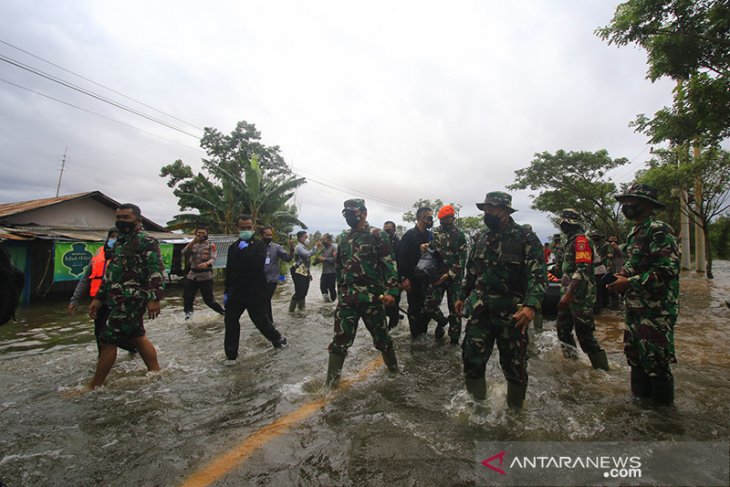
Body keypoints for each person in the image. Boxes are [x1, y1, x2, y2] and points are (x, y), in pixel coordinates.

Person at [454, 192, 546, 409]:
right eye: (485, 209)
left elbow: (537, 275)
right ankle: (478, 408)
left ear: (505, 210)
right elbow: (472, 272)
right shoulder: (479, 237)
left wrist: (531, 306)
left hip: (512, 313)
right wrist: (461, 297)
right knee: (471, 360)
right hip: (480, 310)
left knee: (515, 367)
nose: (487, 213)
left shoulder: (525, 237)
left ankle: (514, 415)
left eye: (492, 209)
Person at [607, 183, 679, 406]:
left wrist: (630, 282)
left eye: (631, 201)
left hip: (656, 310)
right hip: (634, 308)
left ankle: (664, 421)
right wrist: (620, 278)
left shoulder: (659, 229)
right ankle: (639, 412)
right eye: (625, 202)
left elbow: (667, 270)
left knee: (656, 362)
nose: (626, 206)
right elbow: (634, 264)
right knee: (635, 358)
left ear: (646, 204)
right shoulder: (635, 231)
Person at [88, 204, 163, 389]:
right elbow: (112, 272)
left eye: (126, 217)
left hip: (133, 297)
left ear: (138, 219)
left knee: (107, 339)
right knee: (137, 335)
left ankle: (93, 386)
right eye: (119, 217)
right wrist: (99, 297)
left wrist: (154, 299)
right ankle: (156, 372)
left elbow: (156, 271)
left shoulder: (147, 240)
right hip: (116, 296)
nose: (121, 221)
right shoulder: (120, 240)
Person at [326, 199, 400, 386]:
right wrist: (339, 292)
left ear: (364, 213)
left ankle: (394, 371)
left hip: (372, 298)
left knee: (382, 338)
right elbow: (339, 268)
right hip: (347, 298)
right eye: (346, 213)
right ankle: (330, 384)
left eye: (353, 212)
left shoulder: (377, 235)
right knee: (339, 340)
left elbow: (389, 264)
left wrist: (392, 290)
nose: (349, 216)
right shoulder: (343, 238)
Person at [224, 215, 288, 359]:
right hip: (236, 293)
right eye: (243, 228)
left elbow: (256, 265)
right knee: (230, 323)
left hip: (255, 293)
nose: (246, 230)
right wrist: (226, 292)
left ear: (253, 228)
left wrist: (244, 250)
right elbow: (229, 270)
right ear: (237, 228)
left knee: (262, 322)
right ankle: (231, 356)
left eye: (249, 227)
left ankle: (279, 340)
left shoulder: (260, 246)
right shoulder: (233, 247)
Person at [69, 228, 137, 355]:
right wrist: (75, 299)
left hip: (119, 301)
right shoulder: (99, 253)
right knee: (99, 332)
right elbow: (85, 279)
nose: (114, 239)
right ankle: (103, 359)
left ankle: (134, 349)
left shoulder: (128, 255)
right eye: (112, 236)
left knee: (115, 333)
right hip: (99, 301)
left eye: (118, 236)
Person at [556, 210, 609, 370]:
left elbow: (582, 269)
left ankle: (602, 373)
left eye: (564, 223)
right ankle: (572, 365)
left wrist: (568, 294)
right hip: (568, 295)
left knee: (585, 335)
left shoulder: (581, 241)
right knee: (563, 330)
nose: (562, 226)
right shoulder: (570, 241)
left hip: (579, 296)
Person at [423, 204, 468, 344]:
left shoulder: (460, 235)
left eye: (447, 219)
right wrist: (425, 246)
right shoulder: (436, 233)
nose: (444, 222)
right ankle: (442, 321)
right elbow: (432, 250)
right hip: (437, 275)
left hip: (454, 277)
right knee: (429, 305)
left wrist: (449, 274)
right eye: (441, 219)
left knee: (455, 309)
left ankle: (454, 340)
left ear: (453, 218)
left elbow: (462, 258)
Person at [398, 207, 433, 340]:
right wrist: (404, 278)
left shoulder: (430, 235)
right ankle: (415, 337)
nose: (431, 220)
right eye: (429, 217)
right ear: (421, 218)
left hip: (427, 278)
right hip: (413, 278)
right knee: (414, 307)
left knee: (429, 308)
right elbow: (401, 258)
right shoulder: (410, 235)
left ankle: (422, 333)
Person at [181, 224, 225, 320]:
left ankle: (223, 313)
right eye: (199, 233)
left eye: (203, 233)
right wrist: (193, 242)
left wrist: (207, 263)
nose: (201, 235)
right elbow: (184, 253)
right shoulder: (191, 244)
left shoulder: (210, 245)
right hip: (192, 275)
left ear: (206, 234)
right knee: (187, 297)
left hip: (205, 275)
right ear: (195, 234)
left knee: (209, 300)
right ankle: (188, 317)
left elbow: (213, 258)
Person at [261, 226, 294, 325]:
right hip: (259, 279)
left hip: (272, 279)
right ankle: (264, 321)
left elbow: (287, 258)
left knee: (266, 299)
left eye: (271, 235)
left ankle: (268, 322)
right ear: (262, 236)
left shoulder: (276, 248)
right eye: (267, 235)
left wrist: (292, 250)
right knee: (262, 301)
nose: (269, 237)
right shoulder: (256, 247)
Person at [289, 230, 318, 312]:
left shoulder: (303, 247)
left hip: (304, 271)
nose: (307, 239)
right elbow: (307, 254)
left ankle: (301, 310)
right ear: (300, 238)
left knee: (304, 292)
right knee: (299, 292)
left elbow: (306, 262)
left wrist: (309, 273)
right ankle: (291, 311)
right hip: (298, 271)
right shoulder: (299, 247)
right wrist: (315, 247)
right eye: (306, 237)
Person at [383, 221, 402, 329]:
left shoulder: (399, 244)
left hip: (395, 279)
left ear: (394, 230)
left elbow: (402, 263)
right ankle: (395, 317)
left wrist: (400, 281)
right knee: (383, 306)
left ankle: (393, 331)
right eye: (384, 230)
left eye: (389, 230)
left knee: (393, 305)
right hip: (383, 279)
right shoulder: (381, 242)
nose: (386, 233)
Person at [588, 230, 610, 312]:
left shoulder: (605, 245)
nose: (593, 238)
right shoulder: (593, 245)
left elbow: (609, 256)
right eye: (592, 236)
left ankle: (598, 308)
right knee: (600, 289)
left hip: (599, 270)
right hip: (597, 269)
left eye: (595, 236)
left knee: (598, 290)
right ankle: (601, 306)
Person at [317, 233, 337, 302]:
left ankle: (334, 304)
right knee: (322, 288)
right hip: (324, 272)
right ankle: (327, 304)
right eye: (322, 239)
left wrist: (325, 259)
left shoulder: (334, 248)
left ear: (329, 240)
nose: (323, 241)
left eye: (324, 239)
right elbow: (321, 258)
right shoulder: (324, 249)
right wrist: (318, 260)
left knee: (332, 289)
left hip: (332, 272)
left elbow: (335, 260)